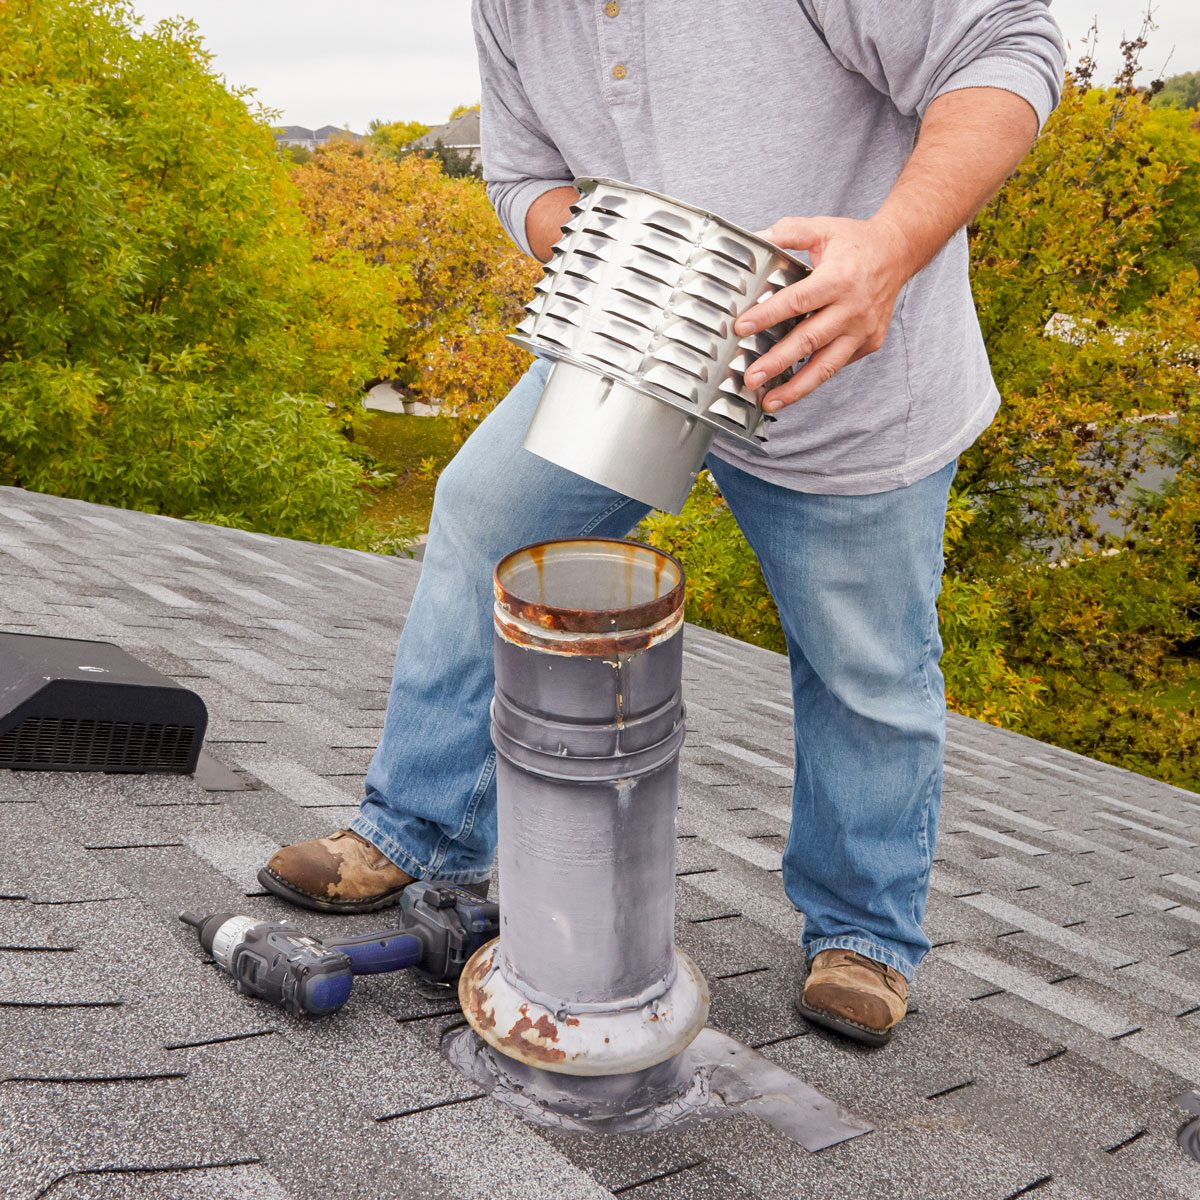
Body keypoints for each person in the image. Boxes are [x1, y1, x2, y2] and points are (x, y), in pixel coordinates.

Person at [260, 0, 1065, 1046]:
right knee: (481, 517)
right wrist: (619, 267)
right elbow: (522, 179)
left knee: (864, 668)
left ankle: (864, 932)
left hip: (845, 368)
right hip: (630, 354)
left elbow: (1006, 47)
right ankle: (417, 833)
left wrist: (891, 247)